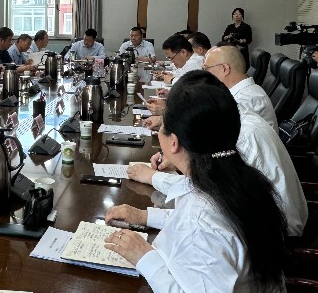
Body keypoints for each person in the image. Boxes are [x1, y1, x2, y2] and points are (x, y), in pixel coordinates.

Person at [105, 75, 316, 293]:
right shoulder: (240, 180)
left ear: (173, 142)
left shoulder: (203, 215)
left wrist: (145, 258)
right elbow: (217, 231)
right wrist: (144, 217)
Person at [131, 71, 306, 236]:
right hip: (248, 224)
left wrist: (155, 177)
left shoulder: (242, 136)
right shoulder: (230, 123)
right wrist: (183, 159)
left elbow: (210, 202)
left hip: (274, 235)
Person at [203, 45, 277, 130]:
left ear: (225, 69)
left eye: (206, 68)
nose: (204, 74)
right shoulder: (242, 92)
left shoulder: (244, 101)